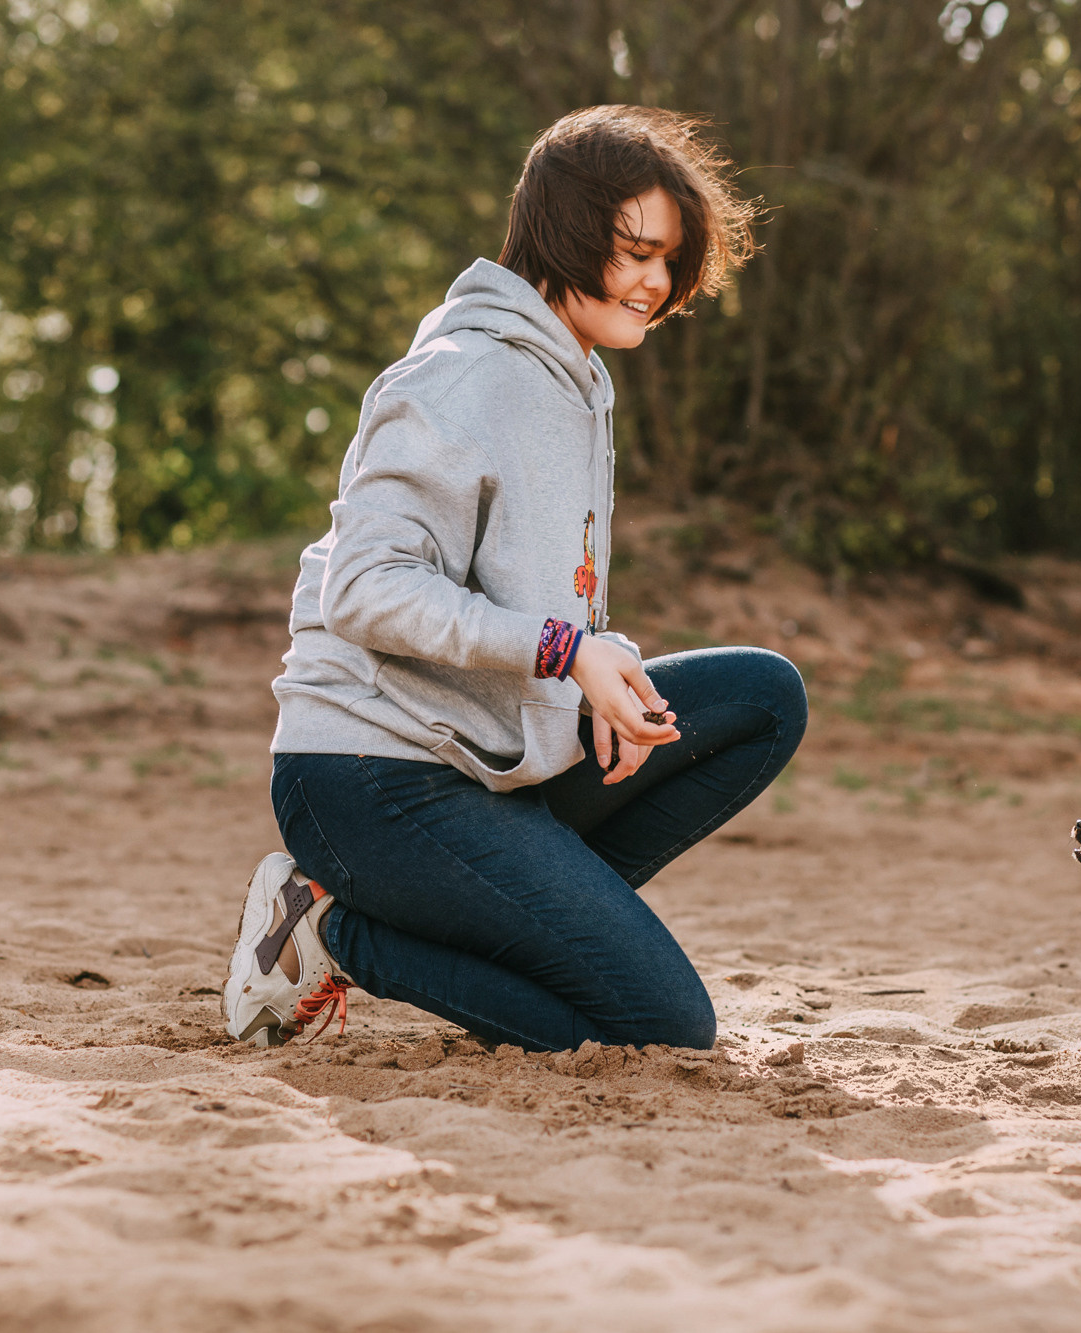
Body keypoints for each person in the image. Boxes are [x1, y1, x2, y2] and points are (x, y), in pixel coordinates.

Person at [222, 106, 804, 1053]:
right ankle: (333, 926)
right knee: (661, 1026)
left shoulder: (575, 381)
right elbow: (365, 585)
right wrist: (564, 651)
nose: (657, 281)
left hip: (490, 755)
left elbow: (541, 590)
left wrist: (599, 672)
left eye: (670, 259)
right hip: (373, 775)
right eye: (636, 251)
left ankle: (526, 922)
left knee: (761, 696)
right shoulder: (459, 376)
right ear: (565, 232)